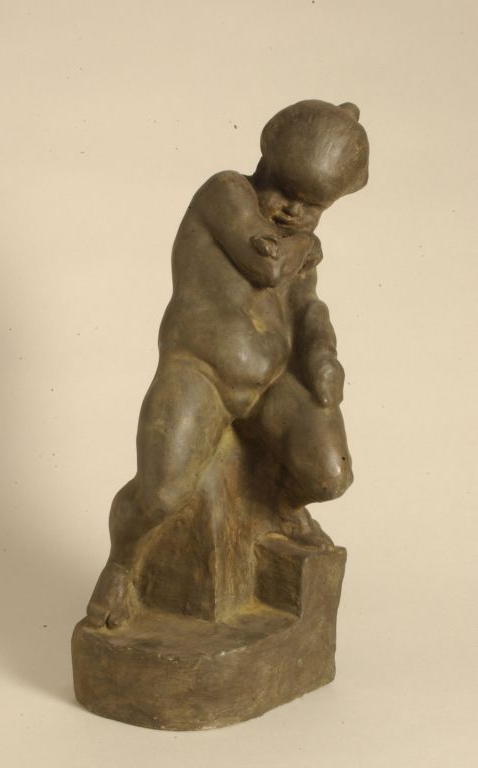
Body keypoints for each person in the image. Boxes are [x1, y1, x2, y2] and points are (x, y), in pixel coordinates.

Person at [87, 99, 369, 628]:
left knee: (330, 475)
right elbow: (267, 265)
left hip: (272, 383)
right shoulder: (225, 193)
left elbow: (306, 304)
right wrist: (308, 240)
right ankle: (122, 565)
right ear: (264, 162)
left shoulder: (299, 243)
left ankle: (279, 504)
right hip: (199, 372)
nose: (291, 211)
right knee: (161, 493)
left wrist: (322, 352)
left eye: (310, 206)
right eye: (284, 190)